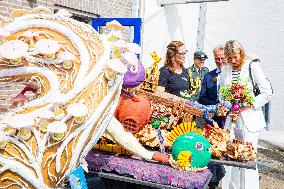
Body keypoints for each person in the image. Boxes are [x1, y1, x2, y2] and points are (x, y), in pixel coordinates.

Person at [220, 40, 272, 189]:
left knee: (247, 158)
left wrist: (248, 104)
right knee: (229, 156)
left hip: (250, 121)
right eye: (229, 58)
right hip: (232, 121)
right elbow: (221, 94)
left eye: (235, 57)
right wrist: (228, 104)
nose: (233, 61)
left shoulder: (252, 66)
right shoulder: (225, 69)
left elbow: (267, 93)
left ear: (241, 53)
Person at [199, 44, 227, 128]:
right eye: (217, 59)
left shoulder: (233, 75)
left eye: (222, 58)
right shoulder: (208, 76)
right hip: (213, 118)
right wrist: (215, 105)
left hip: (229, 117)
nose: (220, 61)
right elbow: (202, 97)